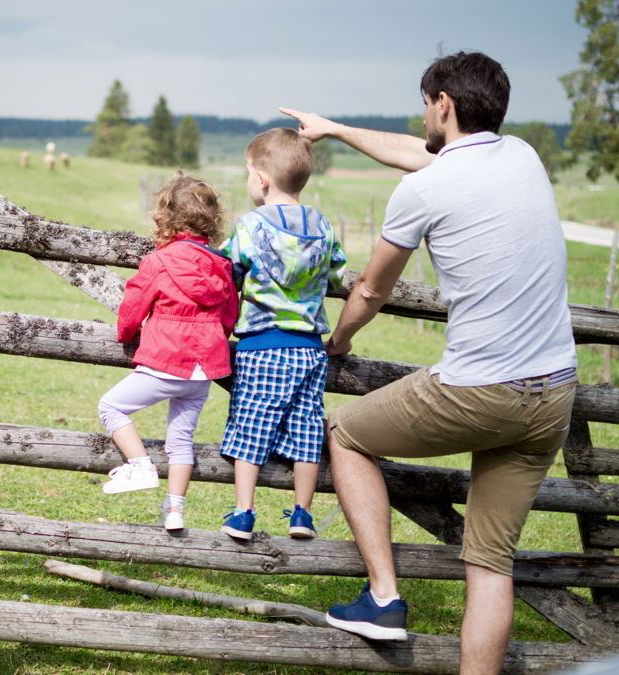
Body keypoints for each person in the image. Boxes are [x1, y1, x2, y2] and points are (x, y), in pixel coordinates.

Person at [281, 51, 578, 674]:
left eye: (425, 103)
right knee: (490, 561)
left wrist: (337, 343)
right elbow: (415, 153)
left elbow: (369, 289)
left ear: (442, 103)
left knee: (346, 432)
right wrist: (332, 128)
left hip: (481, 390)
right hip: (552, 394)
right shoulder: (523, 156)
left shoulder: (423, 190)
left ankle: (384, 599)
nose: (422, 115)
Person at [217, 128, 346, 540]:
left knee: (251, 424)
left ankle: (243, 512)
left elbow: (228, 269)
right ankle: (301, 514)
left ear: (262, 179)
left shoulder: (250, 227)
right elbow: (338, 271)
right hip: (309, 350)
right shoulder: (321, 225)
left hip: (261, 345)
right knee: (308, 428)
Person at [98, 176, 239, 531]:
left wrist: (127, 334)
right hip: (203, 371)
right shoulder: (222, 267)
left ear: (167, 216)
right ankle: (174, 511)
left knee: (111, 407)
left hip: (166, 361)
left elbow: (132, 308)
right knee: (180, 441)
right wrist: (211, 342)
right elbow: (228, 317)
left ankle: (141, 466)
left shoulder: (159, 261)